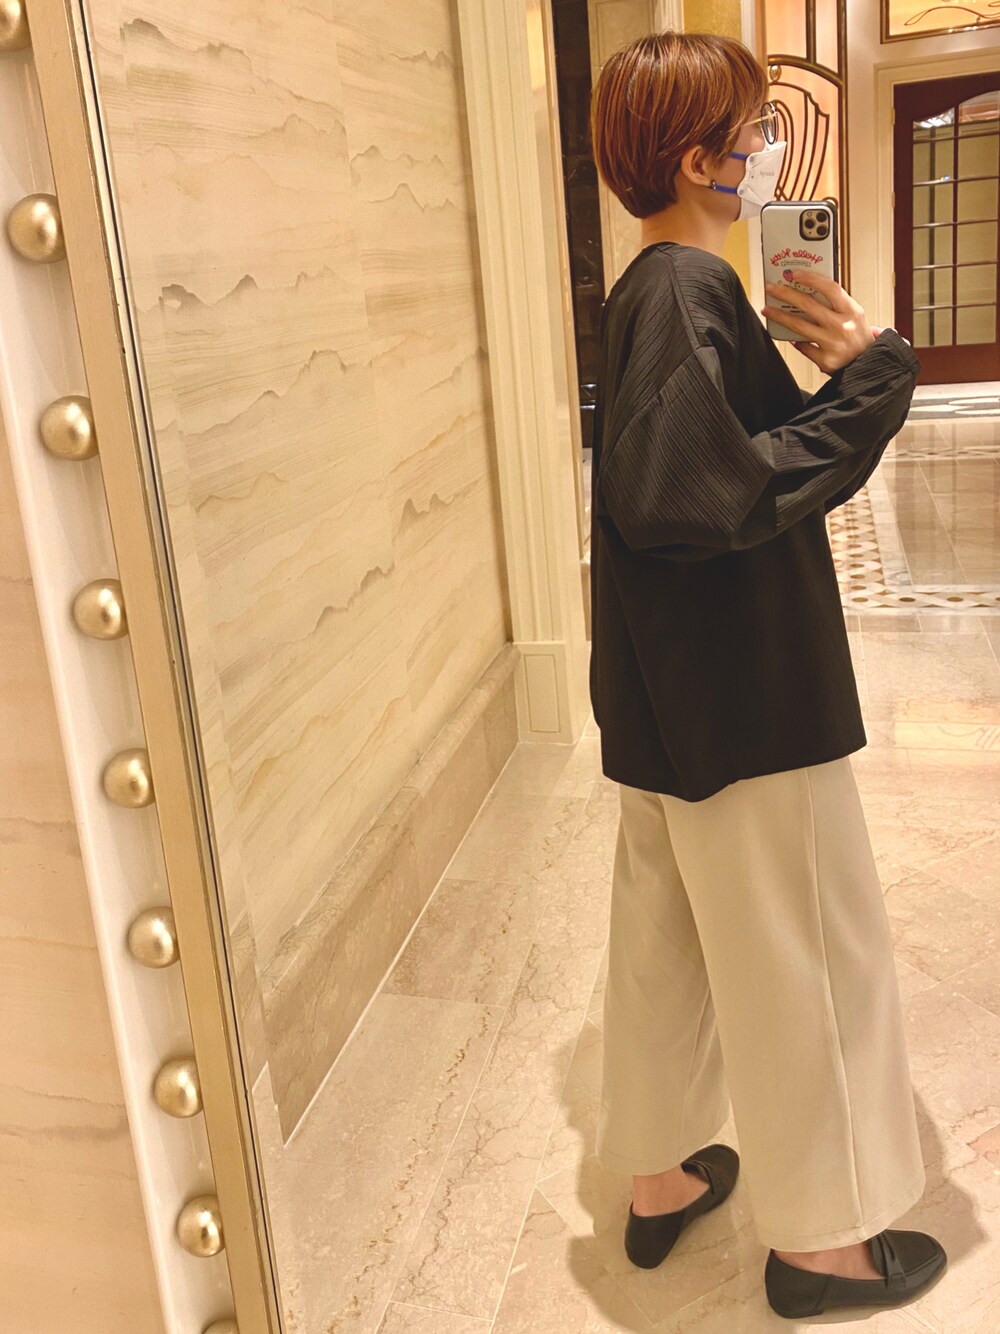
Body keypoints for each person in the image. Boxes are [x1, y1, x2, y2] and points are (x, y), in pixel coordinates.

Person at [587, 31, 947, 1320]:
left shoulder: (648, 287)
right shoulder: (691, 286)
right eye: (752, 136)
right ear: (701, 161)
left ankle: (661, 1176)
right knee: (811, 955)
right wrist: (874, 384)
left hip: (668, 694)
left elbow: (692, 473)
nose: (766, 155)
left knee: (666, 945)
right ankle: (827, 1247)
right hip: (744, 696)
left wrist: (832, 388)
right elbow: (700, 494)